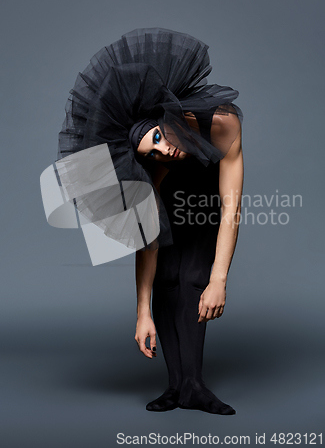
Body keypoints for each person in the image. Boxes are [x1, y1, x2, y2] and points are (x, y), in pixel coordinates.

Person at [55, 27, 243, 415]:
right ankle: (177, 387)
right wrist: (142, 312)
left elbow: (231, 209)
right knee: (167, 279)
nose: (165, 150)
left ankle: (194, 386)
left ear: (164, 114)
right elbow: (148, 240)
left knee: (194, 277)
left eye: (158, 135)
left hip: (208, 206)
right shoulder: (156, 169)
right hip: (169, 206)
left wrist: (219, 280)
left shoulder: (222, 124)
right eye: (153, 151)